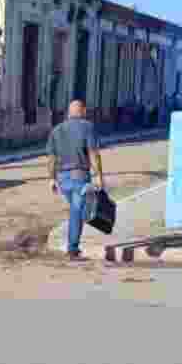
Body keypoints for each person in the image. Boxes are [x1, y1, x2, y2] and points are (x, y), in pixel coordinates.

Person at [47, 99, 105, 260]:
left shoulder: (56, 130)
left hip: (62, 178)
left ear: (68, 112)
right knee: (77, 211)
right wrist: (99, 176)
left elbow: (51, 158)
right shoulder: (87, 127)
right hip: (79, 175)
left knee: (76, 208)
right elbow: (94, 153)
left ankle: (74, 244)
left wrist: (51, 179)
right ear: (83, 111)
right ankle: (72, 248)